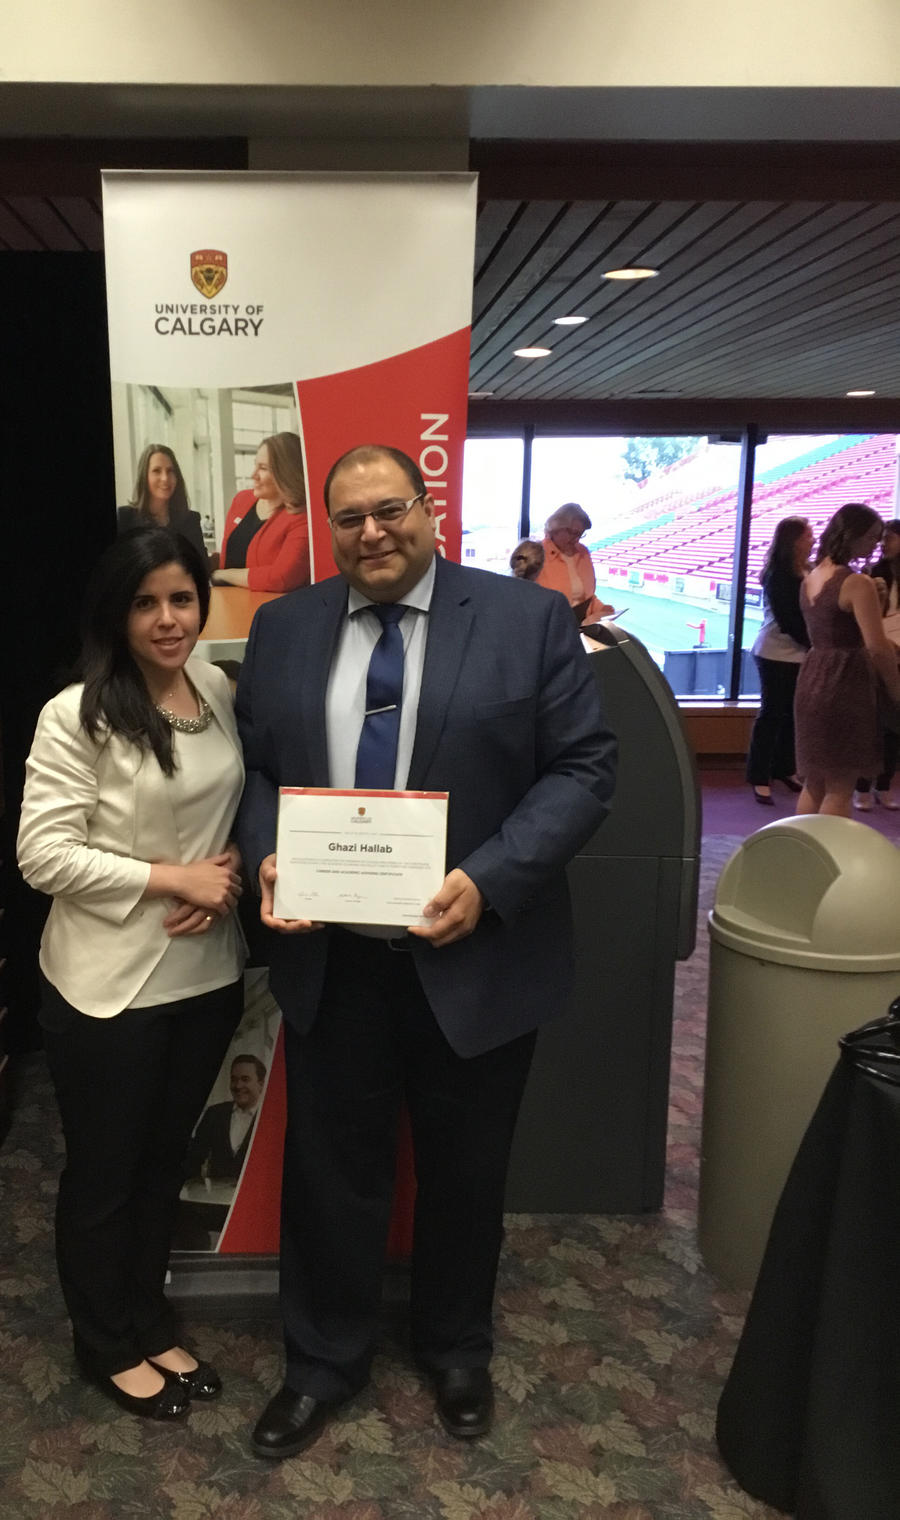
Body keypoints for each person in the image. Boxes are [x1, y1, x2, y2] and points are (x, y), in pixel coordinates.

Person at [236, 443, 616, 1458]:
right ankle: (322, 1361)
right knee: (331, 1172)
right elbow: (258, 770)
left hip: (476, 951)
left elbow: (584, 767)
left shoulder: (526, 620)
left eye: (390, 508)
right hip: (336, 956)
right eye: (350, 516)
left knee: (466, 1168)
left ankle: (457, 1349)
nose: (372, 531)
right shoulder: (283, 628)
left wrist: (490, 879)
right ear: (330, 526)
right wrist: (268, 854)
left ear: (429, 509)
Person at [17, 527, 245, 1422]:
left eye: (181, 599)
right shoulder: (77, 712)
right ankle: (102, 1339)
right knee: (105, 1171)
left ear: (202, 603)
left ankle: (148, 1317)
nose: (166, 619)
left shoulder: (217, 690)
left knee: (162, 1165)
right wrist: (170, 877)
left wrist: (222, 866)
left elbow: (229, 804)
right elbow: (43, 856)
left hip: (203, 975)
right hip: (106, 984)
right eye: (146, 602)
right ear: (118, 611)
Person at [795, 503, 900, 819]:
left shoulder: (810, 578)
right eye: (871, 537)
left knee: (814, 784)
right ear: (852, 535)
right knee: (841, 786)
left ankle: (801, 856)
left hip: (812, 676)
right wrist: (896, 691)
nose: (875, 545)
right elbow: (877, 646)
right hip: (846, 682)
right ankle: (828, 862)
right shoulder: (856, 582)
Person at [745, 517, 813, 805]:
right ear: (794, 541)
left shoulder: (807, 569)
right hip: (775, 653)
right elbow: (788, 621)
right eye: (808, 535)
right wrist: (818, 643)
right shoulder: (779, 575)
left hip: (799, 654)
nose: (813, 539)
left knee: (792, 714)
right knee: (772, 714)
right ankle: (759, 776)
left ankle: (784, 767)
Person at [212, 432, 311, 593]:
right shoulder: (241, 500)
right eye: (255, 465)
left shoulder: (302, 517)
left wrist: (222, 575)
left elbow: (282, 578)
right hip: (226, 603)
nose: (253, 475)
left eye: (263, 468)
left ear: (286, 473)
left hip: (273, 610)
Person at [855, 518, 900, 810]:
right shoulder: (870, 573)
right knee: (871, 724)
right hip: (877, 653)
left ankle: (884, 785)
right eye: (881, 538)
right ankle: (861, 786)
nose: (884, 543)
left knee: (895, 725)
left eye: (890, 538)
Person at [117, 443, 208, 567]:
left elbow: (202, 567)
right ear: (145, 476)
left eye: (170, 471)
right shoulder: (125, 518)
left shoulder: (190, 520)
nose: (165, 478)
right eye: (156, 471)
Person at [185, 1053, 266, 1183]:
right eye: (234, 1079)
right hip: (214, 1199)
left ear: (261, 1084)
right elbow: (193, 1159)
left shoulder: (270, 1117)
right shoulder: (214, 1113)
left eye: (245, 1079)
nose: (238, 1086)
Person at [535, 503, 615, 623]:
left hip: (580, 627)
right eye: (572, 532)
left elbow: (587, 599)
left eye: (580, 534)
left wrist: (603, 611)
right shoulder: (536, 554)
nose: (576, 539)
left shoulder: (583, 552)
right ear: (555, 528)